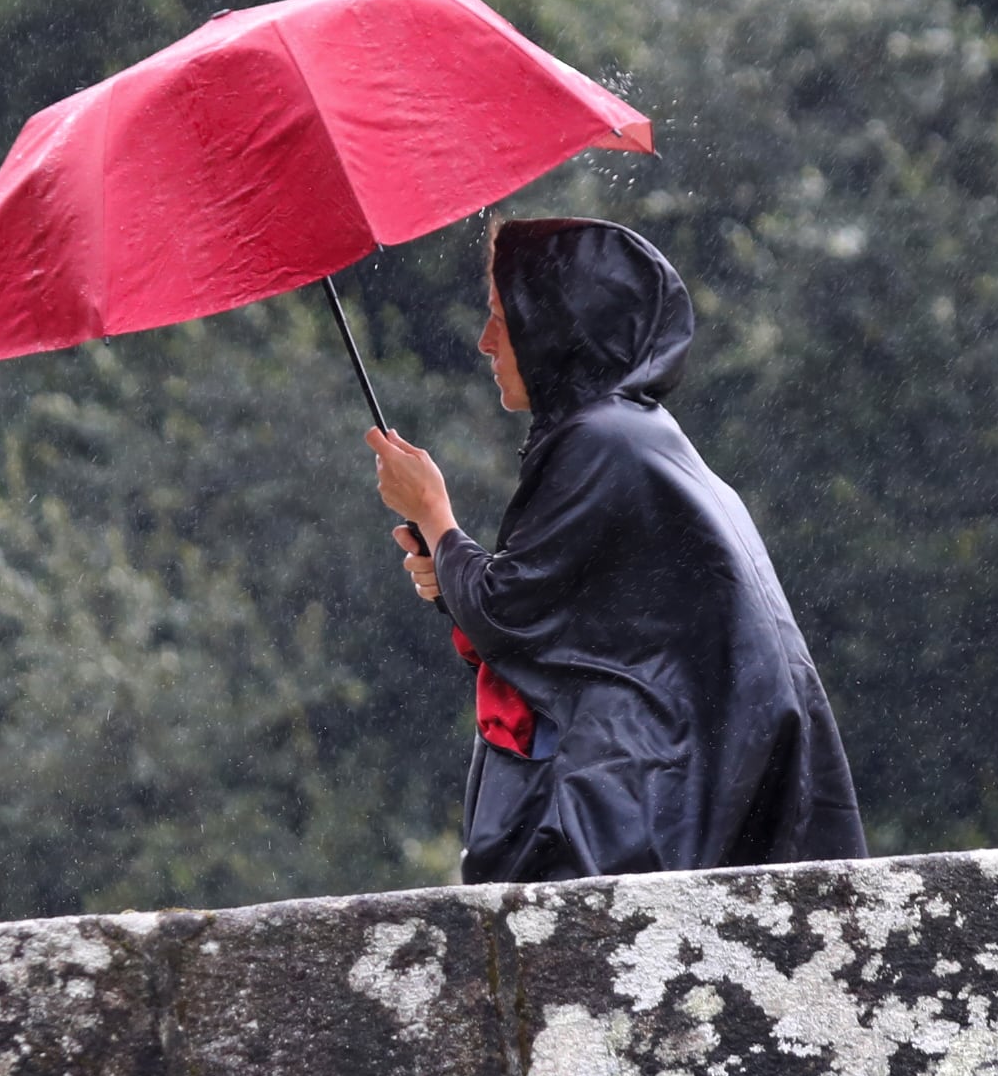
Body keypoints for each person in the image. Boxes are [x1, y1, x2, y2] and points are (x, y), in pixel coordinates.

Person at [367, 217, 866, 884]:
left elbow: (508, 613)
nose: (487, 343)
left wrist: (433, 512)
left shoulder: (601, 441)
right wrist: (448, 564)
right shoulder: (635, 435)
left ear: (553, 324)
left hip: (653, 790)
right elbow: (567, 617)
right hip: (691, 772)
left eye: (500, 317)